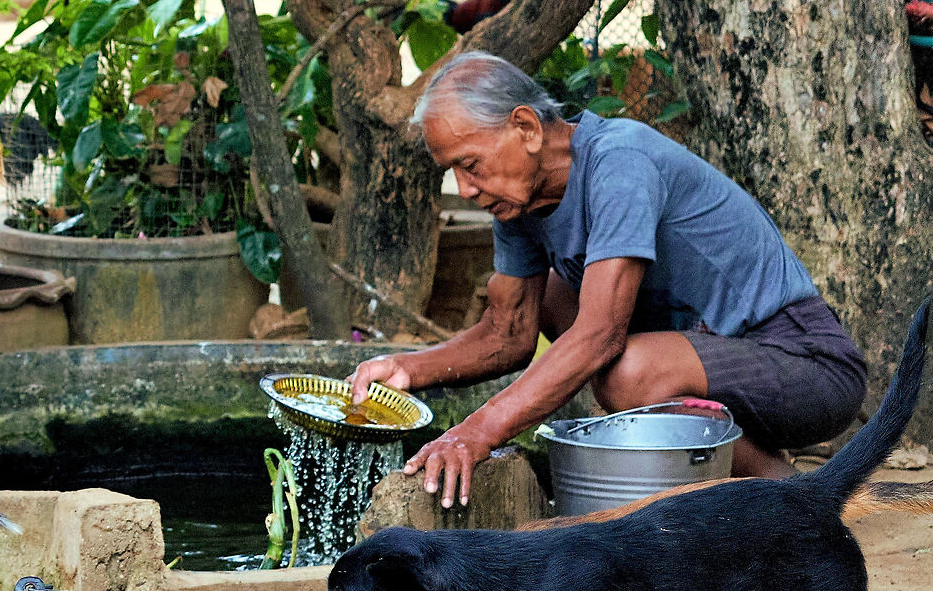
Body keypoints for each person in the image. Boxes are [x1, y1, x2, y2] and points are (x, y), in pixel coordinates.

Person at [347, 51, 866, 504]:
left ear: (526, 128)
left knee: (625, 374)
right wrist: (408, 369)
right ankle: (733, 468)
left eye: (469, 165)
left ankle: (788, 491)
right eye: (452, 173)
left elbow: (600, 336)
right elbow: (508, 334)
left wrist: (477, 431)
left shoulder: (619, 161)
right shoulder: (518, 203)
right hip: (702, 360)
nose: (463, 189)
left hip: (807, 367)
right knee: (550, 297)